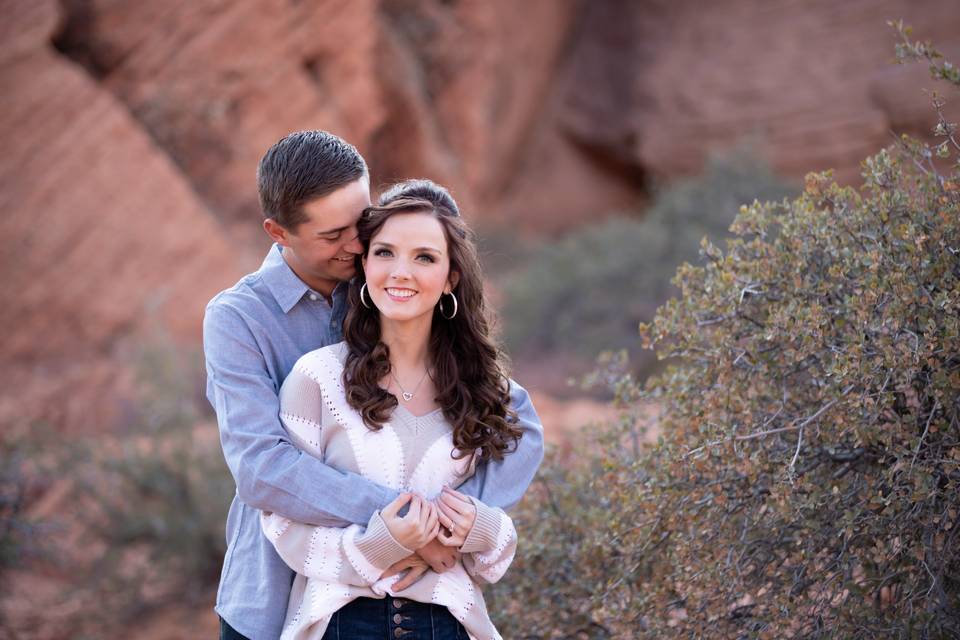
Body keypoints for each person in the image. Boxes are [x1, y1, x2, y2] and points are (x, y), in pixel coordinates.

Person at [203, 131, 544, 640]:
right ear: (278, 233)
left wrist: (455, 522)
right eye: (332, 235)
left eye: (361, 223)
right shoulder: (239, 319)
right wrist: (403, 523)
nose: (357, 244)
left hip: (415, 596)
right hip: (274, 589)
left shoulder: (384, 278)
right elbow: (262, 469)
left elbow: (515, 420)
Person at [262, 178, 521, 639]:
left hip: (450, 623)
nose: (400, 271)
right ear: (364, 265)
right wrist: (378, 547)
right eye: (384, 253)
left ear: (450, 279)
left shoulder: (486, 390)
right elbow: (281, 521)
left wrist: (484, 529)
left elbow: (494, 554)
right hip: (342, 621)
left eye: (424, 257)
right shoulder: (316, 379)